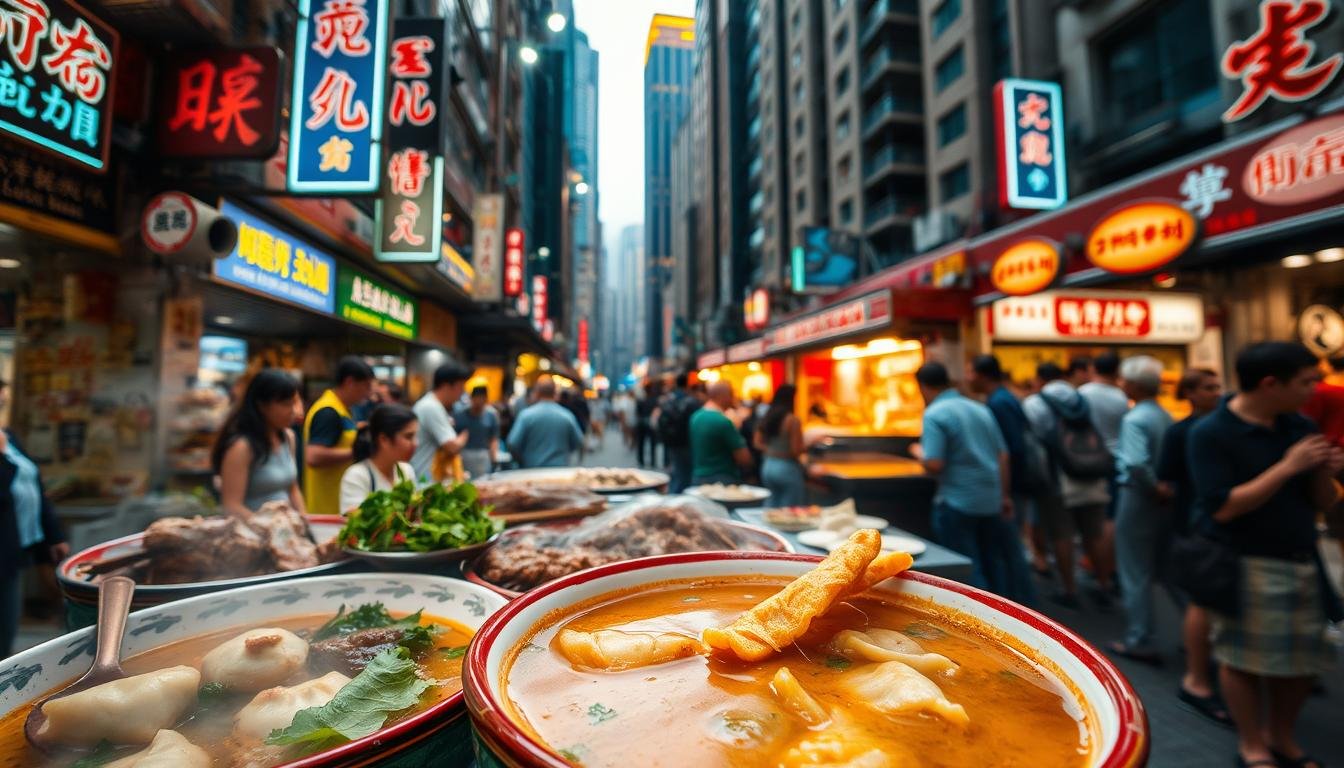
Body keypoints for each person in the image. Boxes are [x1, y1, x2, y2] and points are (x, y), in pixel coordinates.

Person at [1188, 342, 1344, 768]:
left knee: (1304, 663)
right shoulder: (1211, 433)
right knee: (1242, 660)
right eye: (1307, 382)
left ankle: (1283, 737)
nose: (1315, 389)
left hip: (1302, 557)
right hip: (1245, 561)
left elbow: (1324, 502)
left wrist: (1324, 474)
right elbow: (1222, 506)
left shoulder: (1298, 427)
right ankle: (1253, 744)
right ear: (1270, 384)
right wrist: (1289, 466)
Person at [911, 362, 1032, 603]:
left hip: (957, 503)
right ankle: (1002, 615)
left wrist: (917, 451)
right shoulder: (980, 408)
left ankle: (981, 623)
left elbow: (935, 464)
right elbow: (1003, 456)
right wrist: (1004, 496)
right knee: (993, 564)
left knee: (967, 571)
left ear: (923, 387)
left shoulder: (935, 413)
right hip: (990, 500)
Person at [1156, 367, 1230, 726]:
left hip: (1218, 525)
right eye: (1208, 387)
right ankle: (1200, 666)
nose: (1216, 392)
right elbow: (1165, 479)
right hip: (1192, 521)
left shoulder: (1227, 427)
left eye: (1218, 386)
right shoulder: (1181, 432)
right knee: (1198, 593)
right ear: (1190, 393)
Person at [1024, 362, 1116, 608]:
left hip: (1057, 481)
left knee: (1062, 536)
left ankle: (1070, 590)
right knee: (1094, 535)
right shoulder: (1081, 397)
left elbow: (1032, 444)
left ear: (1040, 379)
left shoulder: (1035, 403)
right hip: (1091, 475)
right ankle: (1103, 586)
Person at [1109, 355, 1176, 664]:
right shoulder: (1163, 415)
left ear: (1134, 385)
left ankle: (1140, 638)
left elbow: (1135, 462)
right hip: (1162, 500)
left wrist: (1151, 485)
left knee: (1134, 569)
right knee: (1164, 567)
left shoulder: (1135, 418)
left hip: (1138, 497)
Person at [0, 379, 68, 658]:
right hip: (2, 548)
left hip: (23, 543)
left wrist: (54, 535)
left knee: (7, 624)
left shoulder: (9, 436)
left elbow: (35, 487)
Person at [966, 355, 1049, 570]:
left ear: (983, 375)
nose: (967, 378)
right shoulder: (1003, 398)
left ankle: (1018, 595)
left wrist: (1005, 492)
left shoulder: (999, 402)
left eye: (971, 372)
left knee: (1009, 545)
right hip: (1017, 482)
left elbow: (1009, 450)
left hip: (1014, 484)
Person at [213, 370, 306, 521]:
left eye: (294, 403)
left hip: (287, 533)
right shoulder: (241, 447)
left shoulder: (288, 438)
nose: (294, 411)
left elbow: (293, 489)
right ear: (262, 405)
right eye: (286, 404)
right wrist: (271, 529)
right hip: (253, 537)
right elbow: (232, 506)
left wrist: (304, 521)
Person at [304, 356, 375, 516]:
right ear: (349, 382)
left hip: (339, 501)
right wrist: (358, 451)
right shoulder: (328, 412)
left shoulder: (344, 409)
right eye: (366, 386)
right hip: (327, 508)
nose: (369, 393)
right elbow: (314, 456)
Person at [339, 404, 418, 514]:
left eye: (415, 436)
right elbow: (354, 524)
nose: (415, 444)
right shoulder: (357, 476)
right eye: (408, 437)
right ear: (384, 439)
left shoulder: (406, 471)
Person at [410, 361, 473, 482]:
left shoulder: (434, 405)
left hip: (430, 480)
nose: (462, 393)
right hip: (426, 482)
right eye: (461, 387)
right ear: (446, 385)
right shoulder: (431, 407)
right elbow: (452, 446)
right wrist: (464, 436)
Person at [507, 378, 584, 468]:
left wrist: (521, 460)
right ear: (555, 393)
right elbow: (578, 442)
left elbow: (512, 444)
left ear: (537, 393)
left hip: (531, 470)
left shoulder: (526, 416)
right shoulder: (567, 416)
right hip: (559, 470)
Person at [689, 381, 754, 484]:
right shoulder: (723, 421)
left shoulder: (695, 417)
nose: (733, 399)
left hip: (698, 476)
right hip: (723, 479)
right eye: (732, 395)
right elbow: (745, 459)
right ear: (723, 396)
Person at [755, 384, 807, 506]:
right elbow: (796, 450)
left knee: (772, 505)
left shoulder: (768, 416)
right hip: (786, 467)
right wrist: (810, 444)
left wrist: (771, 451)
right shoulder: (792, 420)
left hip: (768, 465)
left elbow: (757, 443)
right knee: (790, 511)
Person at [657, 373, 701, 492]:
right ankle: (677, 500)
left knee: (678, 471)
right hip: (687, 443)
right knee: (684, 475)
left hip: (672, 442)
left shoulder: (669, 399)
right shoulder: (692, 401)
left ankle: (673, 495)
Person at [454, 386, 500, 480]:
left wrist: (494, 460)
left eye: (482, 399)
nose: (479, 402)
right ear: (472, 399)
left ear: (486, 399)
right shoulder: (460, 415)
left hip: (483, 456)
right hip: (465, 455)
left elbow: (493, 439)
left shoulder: (491, 415)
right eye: (477, 398)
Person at [635, 383, 662, 467]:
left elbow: (637, 413)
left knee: (641, 443)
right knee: (652, 443)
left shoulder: (641, 400)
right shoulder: (655, 401)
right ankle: (653, 461)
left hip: (642, 423)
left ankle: (641, 461)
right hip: (651, 423)